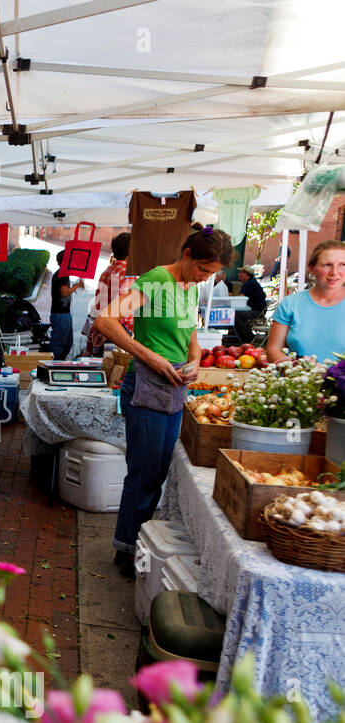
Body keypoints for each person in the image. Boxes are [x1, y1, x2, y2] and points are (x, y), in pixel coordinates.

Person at [95, 224, 234, 578]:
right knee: (143, 475)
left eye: (212, 274)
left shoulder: (189, 286)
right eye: (202, 269)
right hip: (147, 385)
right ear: (186, 255)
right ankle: (126, 550)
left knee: (158, 472)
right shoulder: (157, 279)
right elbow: (106, 320)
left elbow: (190, 334)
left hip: (175, 386)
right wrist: (150, 357)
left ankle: (141, 543)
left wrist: (196, 359)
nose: (205, 279)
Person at [265, 239, 345, 363]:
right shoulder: (291, 304)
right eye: (327, 265)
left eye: (342, 265)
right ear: (312, 268)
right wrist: (298, 367)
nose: (335, 272)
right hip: (298, 380)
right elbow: (273, 350)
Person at [83, 232, 131, 356]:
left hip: (102, 327)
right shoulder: (127, 274)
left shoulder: (107, 271)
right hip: (118, 330)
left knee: (105, 368)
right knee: (117, 370)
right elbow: (126, 311)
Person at [49, 250, 83, 360]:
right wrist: (77, 286)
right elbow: (64, 292)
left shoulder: (62, 274)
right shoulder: (62, 274)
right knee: (59, 344)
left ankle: (60, 362)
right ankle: (55, 364)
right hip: (60, 315)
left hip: (63, 314)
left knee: (68, 343)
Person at [234, 266, 267, 343]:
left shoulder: (249, 284)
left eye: (240, 272)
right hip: (257, 310)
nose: (239, 275)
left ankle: (248, 337)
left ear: (246, 274)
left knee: (234, 314)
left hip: (257, 311)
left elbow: (240, 297)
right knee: (235, 313)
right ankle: (237, 336)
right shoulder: (251, 282)